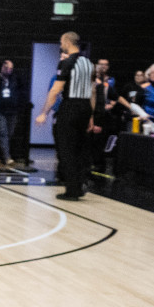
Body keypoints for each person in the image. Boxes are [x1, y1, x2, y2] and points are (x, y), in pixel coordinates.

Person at [36, 32, 94, 201]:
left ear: (68, 42)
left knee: (66, 149)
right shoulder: (89, 63)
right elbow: (92, 91)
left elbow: (56, 90)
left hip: (71, 107)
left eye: (61, 42)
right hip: (84, 107)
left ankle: (72, 190)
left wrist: (43, 113)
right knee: (79, 149)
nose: (61, 44)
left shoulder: (67, 62)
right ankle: (80, 184)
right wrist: (91, 116)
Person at [0, 59, 24, 165]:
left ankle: (5, 153)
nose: (9, 70)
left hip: (12, 110)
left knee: (10, 133)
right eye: (7, 68)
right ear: (2, 67)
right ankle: (7, 157)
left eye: (11, 68)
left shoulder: (15, 78)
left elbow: (20, 90)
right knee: (3, 133)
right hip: (1, 110)